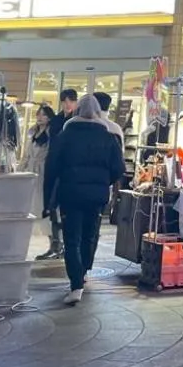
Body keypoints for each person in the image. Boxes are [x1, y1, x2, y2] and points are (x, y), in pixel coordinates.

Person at [47, 94, 124, 306]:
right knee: (90, 235)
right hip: (97, 196)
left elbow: (51, 167)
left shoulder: (66, 136)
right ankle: (83, 272)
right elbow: (119, 169)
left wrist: (48, 200)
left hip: (70, 194)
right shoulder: (108, 137)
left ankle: (76, 284)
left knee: (72, 238)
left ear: (77, 111)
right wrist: (103, 181)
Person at [39, 89, 78, 260]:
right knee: (51, 206)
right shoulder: (56, 121)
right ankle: (55, 244)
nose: (68, 104)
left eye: (71, 101)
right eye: (65, 101)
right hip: (54, 168)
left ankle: (63, 245)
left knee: (66, 209)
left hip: (70, 171)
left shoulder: (77, 121)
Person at [23, 105, 55, 218]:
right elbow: (27, 154)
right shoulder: (32, 132)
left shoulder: (50, 135)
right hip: (30, 168)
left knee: (38, 196)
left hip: (42, 169)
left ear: (49, 118)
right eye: (39, 114)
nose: (40, 117)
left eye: (44, 115)